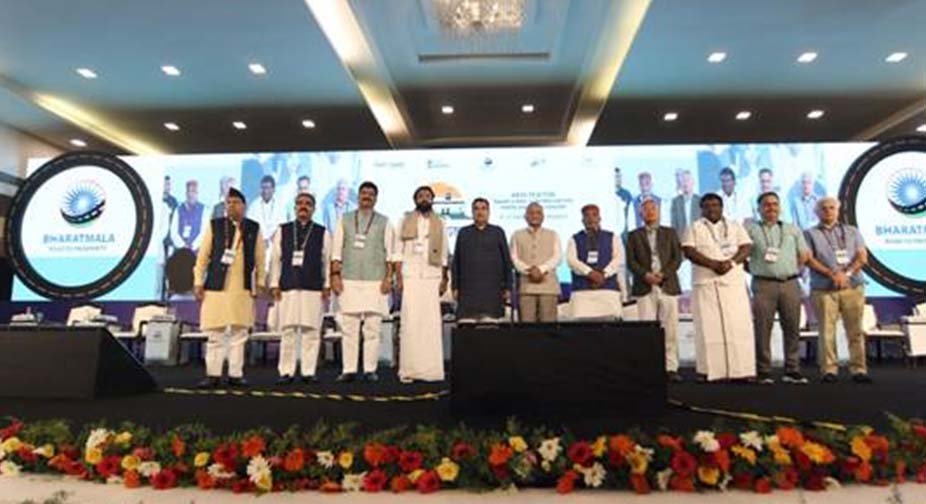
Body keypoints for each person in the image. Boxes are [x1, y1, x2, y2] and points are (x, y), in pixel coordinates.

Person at [193, 188, 265, 388]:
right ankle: (213, 375)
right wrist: (198, 281)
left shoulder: (253, 228)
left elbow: (260, 258)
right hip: (216, 286)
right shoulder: (215, 225)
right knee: (215, 333)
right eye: (228, 202)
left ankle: (235, 374)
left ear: (244, 206)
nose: (231, 206)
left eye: (235, 202)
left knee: (239, 333)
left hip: (242, 287)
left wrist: (260, 282)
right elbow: (202, 257)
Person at [682, 193, 755, 382]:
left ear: (722, 207)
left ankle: (742, 371)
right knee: (708, 328)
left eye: (715, 205)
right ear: (701, 209)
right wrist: (713, 264)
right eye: (707, 206)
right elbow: (689, 251)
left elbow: (746, 247)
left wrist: (731, 263)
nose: (712, 209)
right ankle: (708, 371)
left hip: (732, 283)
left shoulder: (735, 225)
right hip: (706, 283)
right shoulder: (694, 227)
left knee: (738, 327)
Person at [330, 181, 396, 383]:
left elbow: (391, 254)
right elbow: (336, 251)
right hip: (348, 278)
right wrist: (335, 276)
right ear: (358, 196)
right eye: (363, 193)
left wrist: (389, 278)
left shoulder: (384, 222)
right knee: (349, 327)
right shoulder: (345, 219)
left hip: (375, 280)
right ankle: (349, 369)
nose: (366, 196)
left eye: (370, 194)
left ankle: (370, 369)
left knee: (372, 328)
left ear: (376, 198)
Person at [804, 197, 871, 383]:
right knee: (826, 331)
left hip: (852, 286)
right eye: (824, 208)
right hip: (824, 288)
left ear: (838, 210)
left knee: (855, 331)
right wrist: (832, 274)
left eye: (832, 208)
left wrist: (846, 274)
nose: (828, 211)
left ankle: (859, 369)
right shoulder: (809, 233)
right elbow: (808, 259)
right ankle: (829, 370)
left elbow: (862, 257)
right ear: (817, 212)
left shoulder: (852, 231)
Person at [747, 191, 810, 385]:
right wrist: (755, 269)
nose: (771, 208)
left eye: (775, 204)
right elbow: (742, 254)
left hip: (790, 283)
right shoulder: (751, 229)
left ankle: (792, 369)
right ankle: (763, 370)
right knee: (762, 328)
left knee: (792, 327)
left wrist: (792, 269)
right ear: (759, 209)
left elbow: (804, 254)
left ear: (780, 207)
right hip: (763, 284)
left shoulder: (792, 229)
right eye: (766, 204)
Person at [269, 192, 331, 384]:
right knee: (288, 331)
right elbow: (275, 260)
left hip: (313, 287)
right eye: (300, 203)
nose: (303, 206)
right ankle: (286, 372)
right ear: (295, 207)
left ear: (313, 208)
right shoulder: (283, 230)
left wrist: (327, 284)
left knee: (311, 331)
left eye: (308, 204)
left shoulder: (322, 232)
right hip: (288, 286)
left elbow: (328, 261)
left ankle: (308, 372)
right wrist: (274, 284)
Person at [395, 186, 450, 382]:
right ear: (415, 199)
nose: (424, 199)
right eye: (420, 196)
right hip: (410, 276)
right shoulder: (404, 220)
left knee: (430, 324)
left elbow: (444, 253)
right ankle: (409, 370)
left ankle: (432, 371)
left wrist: (444, 278)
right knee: (410, 322)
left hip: (431, 277)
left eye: (427, 196)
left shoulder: (440, 222)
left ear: (432, 199)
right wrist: (399, 277)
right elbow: (397, 251)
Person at [626, 198, 683, 381]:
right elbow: (631, 261)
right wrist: (646, 275)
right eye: (646, 209)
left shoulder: (670, 232)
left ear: (658, 212)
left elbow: (677, 258)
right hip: (644, 285)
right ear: (640, 213)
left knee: (670, 329)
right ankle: (649, 367)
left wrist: (663, 274)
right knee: (646, 329)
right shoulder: (633, 235)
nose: (650, 212)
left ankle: (671, 367)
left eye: (653, 209)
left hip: (667, 285)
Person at [452, 198, 513, 321]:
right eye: (476, 209)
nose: (480, 212)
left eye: (483, 209)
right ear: (472, 212)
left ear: (488, 212)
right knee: (467, 327)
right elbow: (456, 262)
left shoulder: (497, 232)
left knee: (490, 327)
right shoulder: (464, 233)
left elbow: (507, 261)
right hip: (468, 291)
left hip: (492, 291)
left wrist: (508, 287)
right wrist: (455, 286)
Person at [566, 204, 624, 320]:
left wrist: (603, 274)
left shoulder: (612, 237)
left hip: (608, 290)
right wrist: (590, 273)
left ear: (599, 218)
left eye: (594, 215)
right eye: (587, 216)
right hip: (582, 292)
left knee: (611, 327)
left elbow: (619, 259)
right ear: (582, 220)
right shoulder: (574, 239)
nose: (591, 218)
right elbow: (571, 261)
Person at [510, 202, 562, 322]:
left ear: (543, 216)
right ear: (525, 216)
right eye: (531, 213)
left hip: (548, 288)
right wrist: (529, 271)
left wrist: (541, 270)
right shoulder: (516, 235)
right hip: (526, 287)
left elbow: (558, 257)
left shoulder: (553, 234)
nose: (535, 216)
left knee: (548, 326)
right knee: (527, 326)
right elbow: (514, 258)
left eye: (538, 213)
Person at [170, 180, 209, 252]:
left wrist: (192, 246)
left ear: (197, 193)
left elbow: (203, 232)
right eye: (189, 191)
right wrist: (183, 246)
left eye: (194, 191)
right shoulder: (178, 209)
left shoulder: (204, 210)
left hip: (196, 251)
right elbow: (173, 232)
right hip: (180, 250)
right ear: (186, 193)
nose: (191, 194)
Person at [670, 168, 700, 238]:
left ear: (693, 182)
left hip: (698, 237)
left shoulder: (700, 201)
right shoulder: (675, 202)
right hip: (681, 238)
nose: (685, 184)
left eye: (687, 180)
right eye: (683, 181)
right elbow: (674, 224)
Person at [614, 167, 633, 239]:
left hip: (624, 232)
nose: (618, 179)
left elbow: (630, 214)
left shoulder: (626, 194)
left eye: (620, 176)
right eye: (616, 177)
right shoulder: (606, 194)